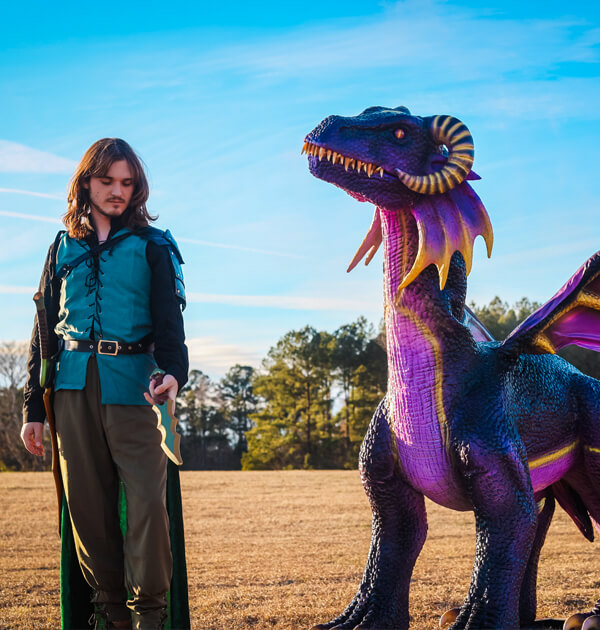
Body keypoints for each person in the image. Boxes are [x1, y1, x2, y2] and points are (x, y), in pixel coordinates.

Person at [20, 138, 189, 630]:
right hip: (71, 390)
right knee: (87, 511)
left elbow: (170, 323)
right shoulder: (61, 246)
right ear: (86, 183)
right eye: (107, 181)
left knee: (145, 510)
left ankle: (149, 616)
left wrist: (174, 373)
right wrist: (34, 407)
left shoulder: (153, 245)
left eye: (126, 182)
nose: (117, 191)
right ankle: (107, 613)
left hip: (137, 388)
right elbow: (43, 330)